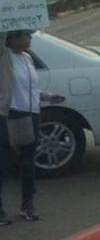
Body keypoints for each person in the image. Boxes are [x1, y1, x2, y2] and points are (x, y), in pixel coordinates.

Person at [0, 29, 65, 224]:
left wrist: (46, 96)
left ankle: (27, 204)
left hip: (31, 114)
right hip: (10, 115)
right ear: (12, 38)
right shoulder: (5, 57)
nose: (29, 38)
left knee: (29, 163)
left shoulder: (27, 58)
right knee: (4, 163)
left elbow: (30, 89)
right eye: (24, 35)